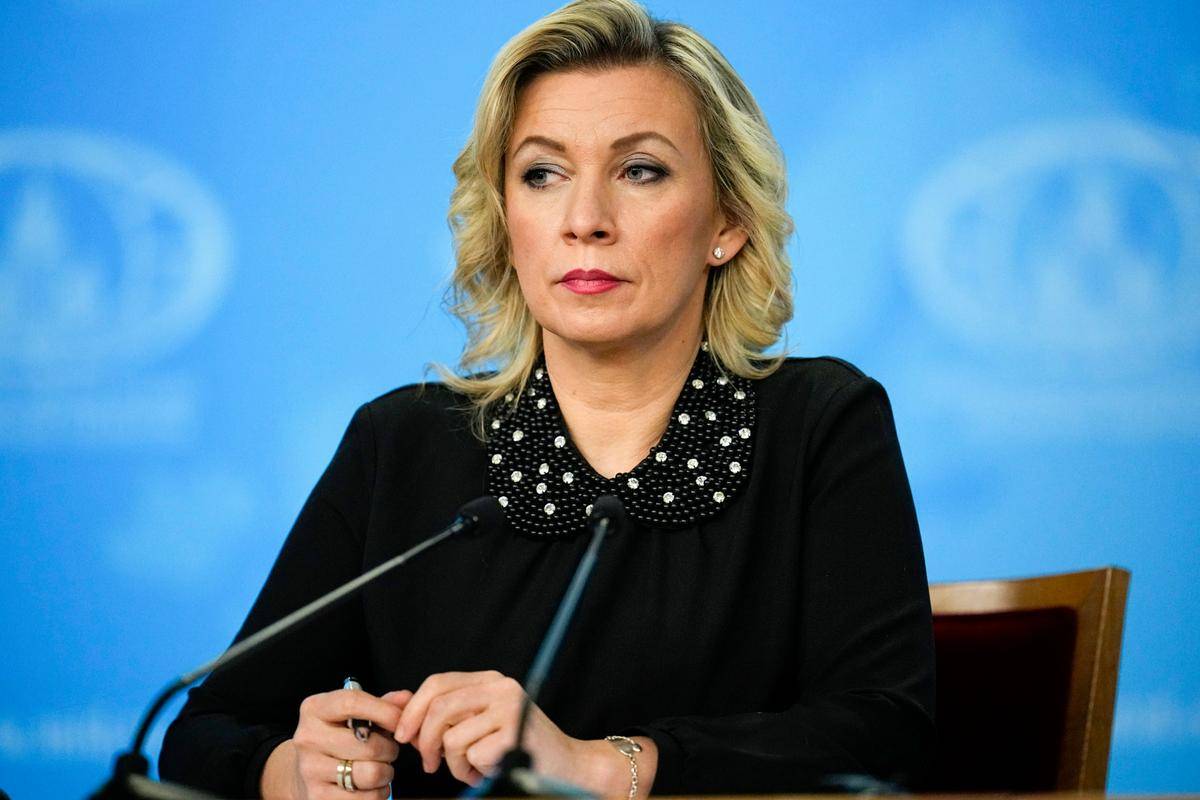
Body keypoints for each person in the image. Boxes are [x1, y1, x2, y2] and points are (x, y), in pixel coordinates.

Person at [158, 0, 936, 797]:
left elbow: (887, 729)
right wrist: (292, 771)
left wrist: (599, 766)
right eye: (542, 174)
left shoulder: (819, 423)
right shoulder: (402, 444)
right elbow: (202, 735)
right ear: (506, 218)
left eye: (640, 171)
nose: (585, 220)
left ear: (728, 220)